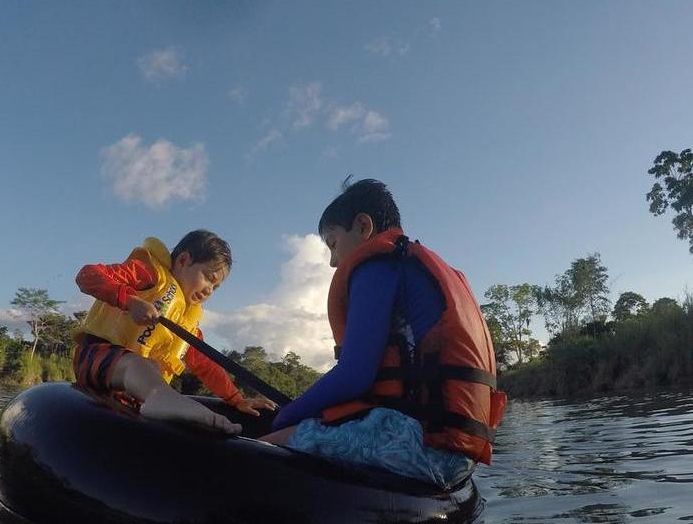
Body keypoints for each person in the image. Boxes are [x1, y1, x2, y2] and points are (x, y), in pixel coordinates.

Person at [262, 179, 506, 489]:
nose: (333, 261)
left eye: (333, 243)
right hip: (460, 458)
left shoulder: (377, 265)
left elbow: (355, 375)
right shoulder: (415, 264)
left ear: (363, 226)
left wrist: (284, 417)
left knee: (265, 443)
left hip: (425, 450)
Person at [73, 229, 275, 434]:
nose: (208, 291)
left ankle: (158, 398)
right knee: (139, 364)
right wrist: (131, 301)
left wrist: (237, 399)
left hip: (134, 396)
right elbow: (88, 275)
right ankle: (158, 396)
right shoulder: (149, 274)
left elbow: (207, 366)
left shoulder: (188, 325)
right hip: (96, 360)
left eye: (215, 287)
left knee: (149, 367)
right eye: (207, 277)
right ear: (183, 260)